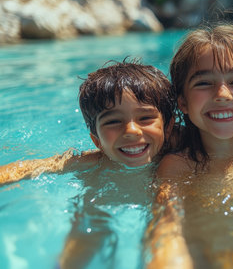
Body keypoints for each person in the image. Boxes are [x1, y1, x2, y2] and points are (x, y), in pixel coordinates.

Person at [0, 61, 176, 269]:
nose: (131, 131)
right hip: (96, 214)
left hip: (158, 206)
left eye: (145, 117)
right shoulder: (93, 161)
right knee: (78, 250)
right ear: (97, 141)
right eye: (113, 122)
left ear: (168, 127)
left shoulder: (176, 161)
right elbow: (29, 167)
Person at [145, 24, 233, 268]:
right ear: (182, 101)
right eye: (204, 83)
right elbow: (167, 222)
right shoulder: (178, 165)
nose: (222, 94)